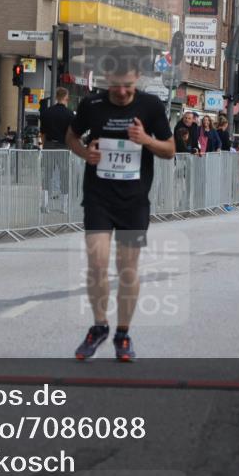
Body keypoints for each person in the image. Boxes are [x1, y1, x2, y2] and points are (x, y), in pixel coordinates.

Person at [67, 46, 174, 362]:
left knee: (127, 270)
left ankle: (123, 333)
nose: (123, 91)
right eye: (116, 84)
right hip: (99, 196)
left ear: (138, 78)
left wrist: (147, 140)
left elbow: (169, 150)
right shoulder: (92, 104)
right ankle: (99, 326)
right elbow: (72, 137)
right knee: (96, 263)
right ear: (106, 80)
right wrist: (85, 153)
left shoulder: (150, 106)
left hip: (134, 201)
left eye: (129, 84)